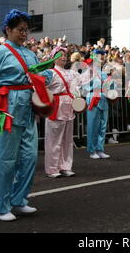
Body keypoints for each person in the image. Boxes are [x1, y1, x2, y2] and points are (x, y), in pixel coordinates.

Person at [0, 9, 50, 222]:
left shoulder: (30, 53)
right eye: (20, 30)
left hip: (27, 108)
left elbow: (37, 75)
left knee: (29, 157)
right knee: (4, 159)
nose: (24, 34)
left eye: (26, 30)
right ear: (8, 30)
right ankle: (1, 205)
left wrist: (46, 75)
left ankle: (19, 199)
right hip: (6, 107)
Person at [44, 46, 81, 178]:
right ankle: (52, 168)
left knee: (67, 139)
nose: (64, 57)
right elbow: (39, 89)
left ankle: (66, 166)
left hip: (69, 106)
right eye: (60, 55)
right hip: (56, 106)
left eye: (65, 55)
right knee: (53, 139)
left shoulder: (71, 73)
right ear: (54, 57)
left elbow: (78, 87)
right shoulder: (49, 73)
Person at [81, 49, 112, 159]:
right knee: (93, 126)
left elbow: (108, 87)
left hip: (103, 98)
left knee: (102, 126)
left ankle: (100, 149)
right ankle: (92, 150)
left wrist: (110, 79)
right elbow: (83, 87)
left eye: (102, 56)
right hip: (93, 98)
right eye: (99, 56)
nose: (102, 58)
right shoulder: (87, 72)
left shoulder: (103, 72)